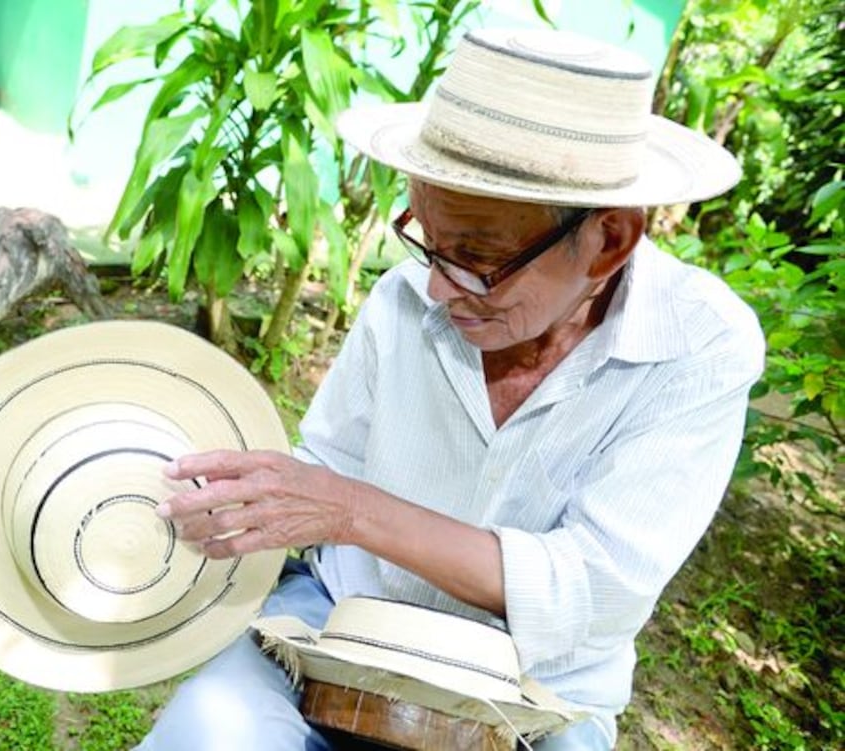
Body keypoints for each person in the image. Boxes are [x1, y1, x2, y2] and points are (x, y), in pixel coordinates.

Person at [136, 26, 765, 751]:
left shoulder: (698, 346)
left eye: (477, 258)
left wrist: (351, 510)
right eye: (427, 239)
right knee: (209, 729)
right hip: (343, 617)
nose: (437, 286)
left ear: (611, 238)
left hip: (537, 686)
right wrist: (243, 502)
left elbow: (592, 592)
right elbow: (329, 468)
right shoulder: (408, 299)